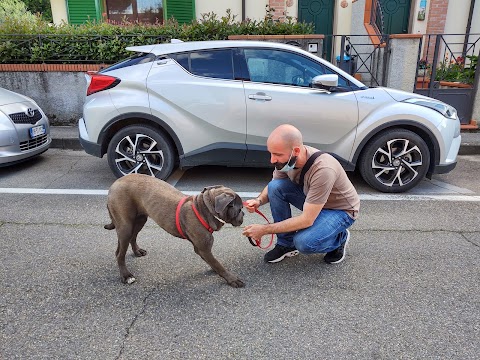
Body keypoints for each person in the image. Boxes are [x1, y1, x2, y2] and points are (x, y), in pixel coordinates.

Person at [242, 124, 360, 264]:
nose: (272, 160)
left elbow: (306, 220)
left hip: (340, 210)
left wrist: (264, 230)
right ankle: (286, 244)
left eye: (278, 155)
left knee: (304, 243)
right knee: (275, 187)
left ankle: (339, 238)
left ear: (296, 151)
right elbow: (274, 185)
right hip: (315, 200)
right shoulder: (287, 161)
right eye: (271, 153)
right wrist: (259, 200)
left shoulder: (323, 169)